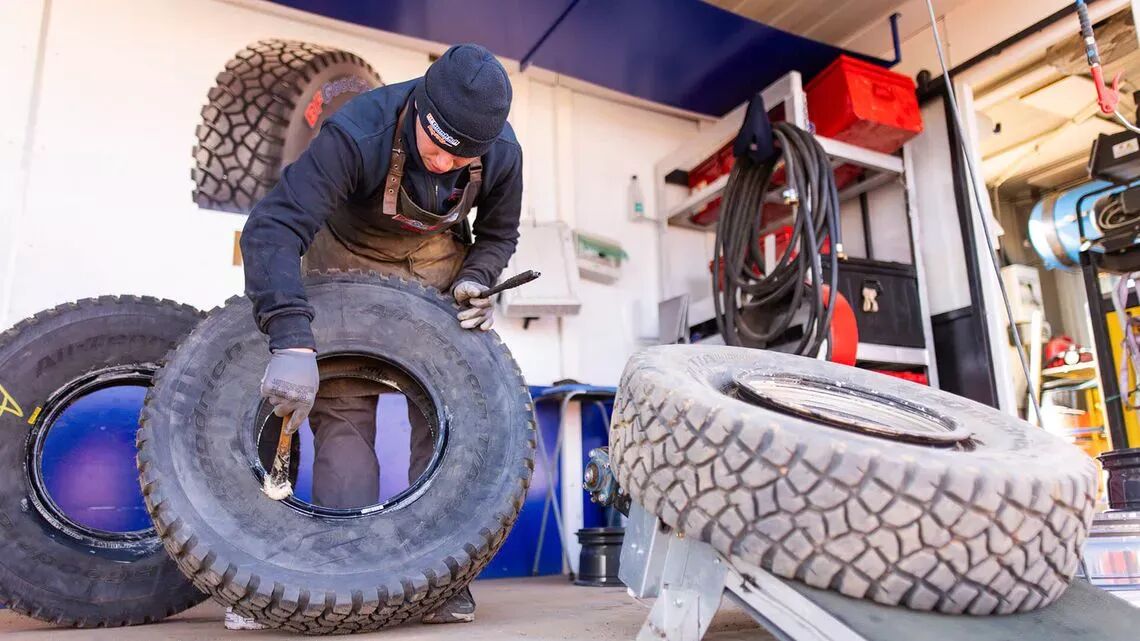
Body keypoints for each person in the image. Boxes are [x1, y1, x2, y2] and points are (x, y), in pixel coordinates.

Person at [233, 43, 522, 628]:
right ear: (418, 107)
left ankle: (440, 577)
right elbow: (270, 229)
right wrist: (290, 336)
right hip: (342, 264)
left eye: (460, 156)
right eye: (435, 145)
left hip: (436, 270)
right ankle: (352, 568)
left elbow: (498, 233)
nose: (443, 163)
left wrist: (477, 278)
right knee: (342, 413)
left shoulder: (502, 153)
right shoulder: (357, 133)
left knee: (452, 420)